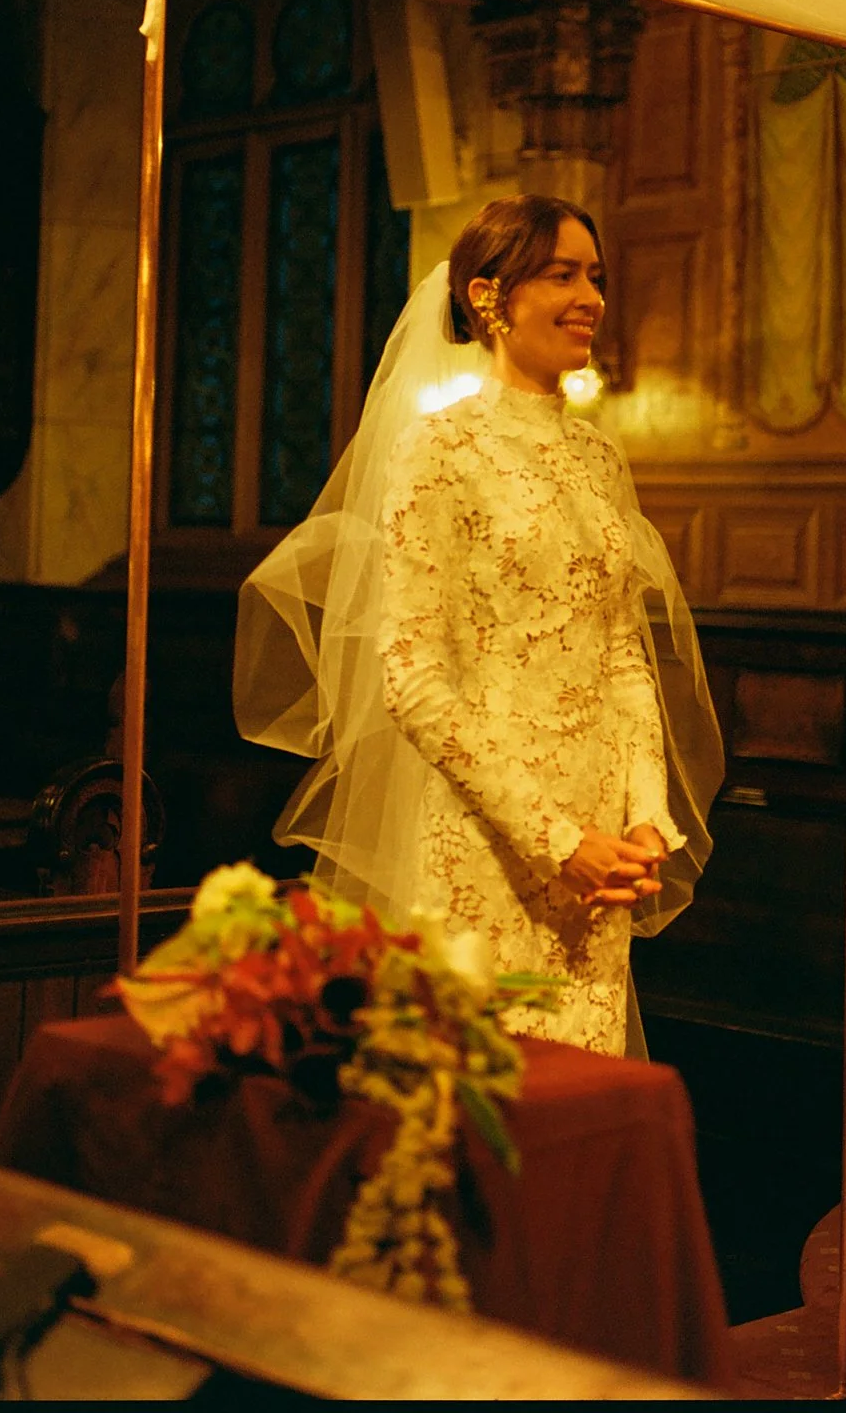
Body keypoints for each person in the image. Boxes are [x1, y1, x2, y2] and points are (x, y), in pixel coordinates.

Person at [234, 194, 724, 1059]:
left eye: (596, 277)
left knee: (584, 1090)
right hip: (490, 843)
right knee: (490, 1091)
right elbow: (414, 678)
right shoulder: (437, 450)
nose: (590, 298)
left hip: (602, 855)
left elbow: (623, 656)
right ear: (490, 297)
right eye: (563, 275)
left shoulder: (600, 458)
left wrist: (645, 820)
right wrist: (555, 840)